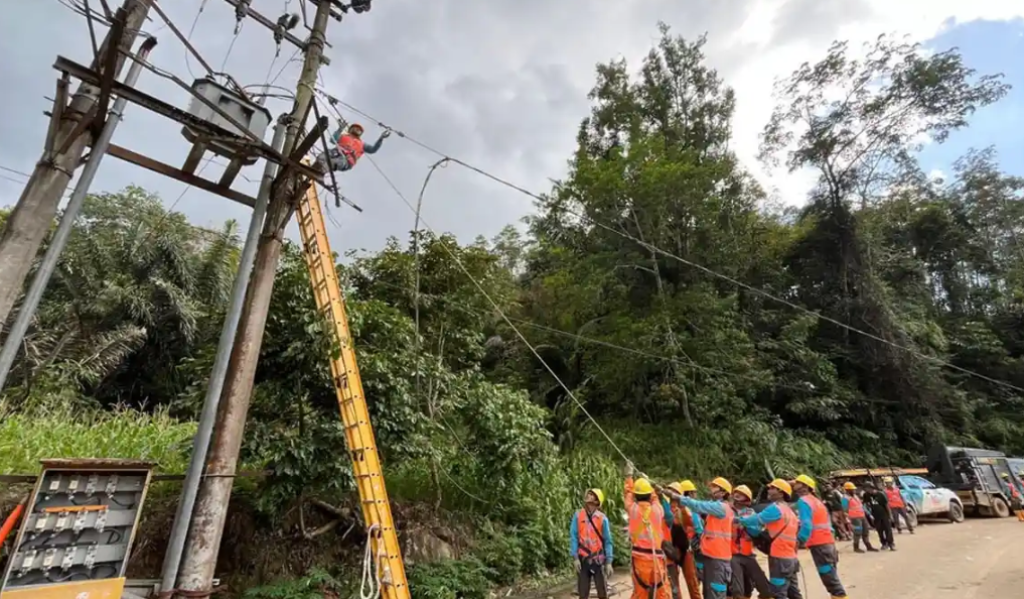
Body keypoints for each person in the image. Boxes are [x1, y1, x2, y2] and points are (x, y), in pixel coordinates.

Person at [665, 477, 734, 599]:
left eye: (714, 487)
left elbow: (698, 507)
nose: (711, 489)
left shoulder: (721, 508)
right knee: (708, 592)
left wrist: (678, 498)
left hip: (716, 559)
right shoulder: (718, 508)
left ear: (723, 492)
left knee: (714, 593)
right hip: (711, 557)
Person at [736, 479, 802, 599]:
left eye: (772, 488)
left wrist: (739, 520)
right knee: (794, 593)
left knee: (778, 593)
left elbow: (757, 519)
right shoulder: (789, 511)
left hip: (779, 558)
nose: (769, 490)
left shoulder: (775, 508)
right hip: (791, 558)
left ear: (781, 493)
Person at [793, 474, 848, 599]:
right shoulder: (817, 501)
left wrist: (799, 540)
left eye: (797, 482)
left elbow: (806, 525)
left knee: (831, 580)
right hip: (828, 542)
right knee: (831, 576)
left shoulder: (803, 501)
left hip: (819, 544)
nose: (794, 485)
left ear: (804, 486)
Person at [625, 464, 670, 599]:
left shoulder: (632, 510)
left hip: (639, 560)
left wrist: (629, 476)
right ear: (649, 495)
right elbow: (655, 499)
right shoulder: (657, 510)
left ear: (636, 496)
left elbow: (628, 494)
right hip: (656, 560)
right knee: (662, 593)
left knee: (640, 593)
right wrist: (649, 483)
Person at [729, 484, 772, 599]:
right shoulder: (727, 510)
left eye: (741, 494)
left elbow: (756, 532)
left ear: (747, 499)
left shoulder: (750, 513)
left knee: (764, 586)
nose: (737, 495)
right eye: (736, 493)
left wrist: (746, 524)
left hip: (747, 554)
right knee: (737, 589)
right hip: (732, 554)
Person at [570, 488, 614, 599]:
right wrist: (575, 558)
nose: (589, 497)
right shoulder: (578, 516)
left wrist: (609, 562)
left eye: (592, 496)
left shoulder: (602, 519)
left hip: (598, 560)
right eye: (588, 495)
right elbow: (574, 537)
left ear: (597, 502)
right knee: (583, 593)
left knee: (602, 593)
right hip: (583, 560)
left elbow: (608, 541)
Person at [315, 121, 390, 173]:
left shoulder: (362, 144)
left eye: (359, 130)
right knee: (324, 155)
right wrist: (340, 129)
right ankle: (317, 167)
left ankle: (321, 171)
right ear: (350, 129)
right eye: (356, 128)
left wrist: (381, 138)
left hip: (347, 160)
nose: (358, 130)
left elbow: (373, 149)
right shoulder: (343, 136)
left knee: (334, 162)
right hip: (336, 152)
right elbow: (332, 140)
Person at [841, 482, 877, 553]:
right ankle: (856, 547)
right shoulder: (845, 498)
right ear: (847, 490)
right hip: (854, 518)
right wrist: (847, 520)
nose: (854, 490)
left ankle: (868, 546)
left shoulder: (855, 496)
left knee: (865, 531)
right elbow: (844, 510)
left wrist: (869, 514)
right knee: (857, 532)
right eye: (852, 489)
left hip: (862, 516)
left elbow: (861, 506)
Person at [861, 481, 895, 551]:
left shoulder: (880, 494)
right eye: (865, 489)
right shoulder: (866, 495)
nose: (867, 490)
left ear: (871, 487)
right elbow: (865, 505)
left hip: (884, 514)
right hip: (875, 516)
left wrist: (890, 515)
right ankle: (884, 543)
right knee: (880, 531)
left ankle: (891, 544)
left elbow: (886, 505)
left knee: (888, 530)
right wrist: (869, 514)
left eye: (867, 488)